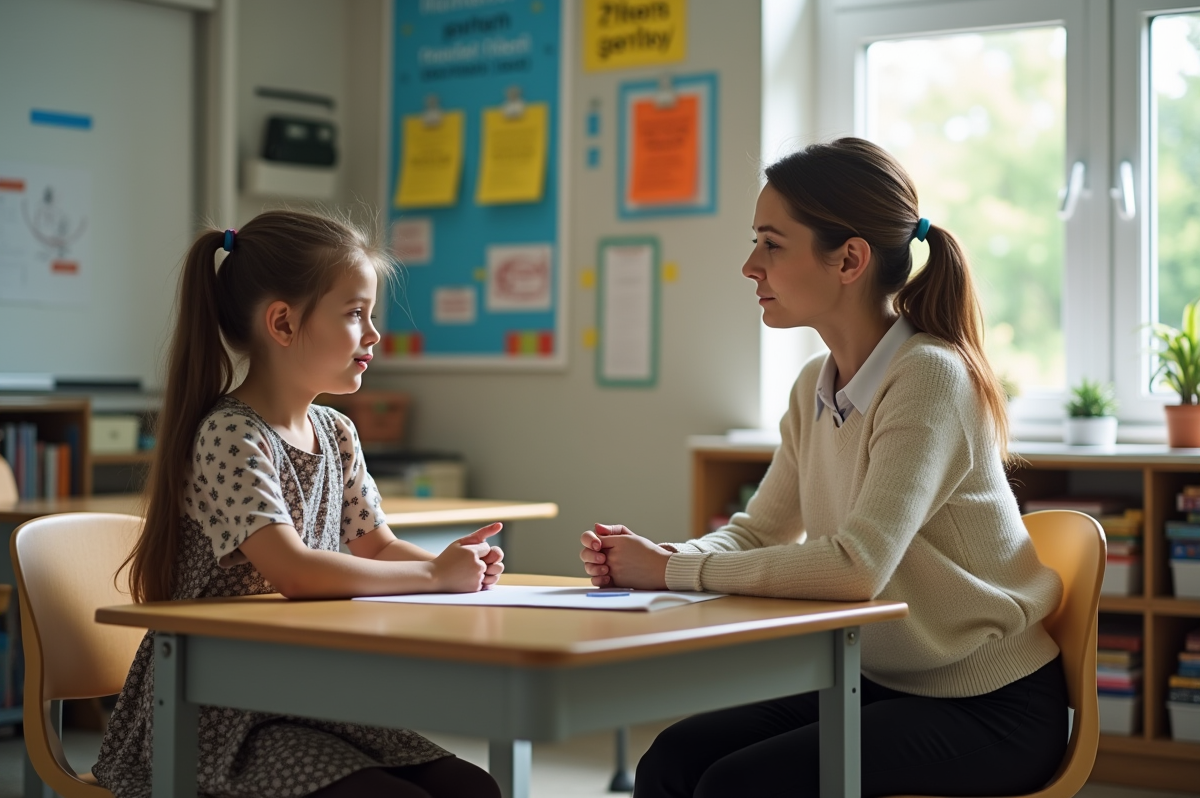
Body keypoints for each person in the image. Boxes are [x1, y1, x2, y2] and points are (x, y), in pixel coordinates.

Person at [579, 138, 1068, 798]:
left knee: (738, 786)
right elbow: (757, 531)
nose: (750, 265)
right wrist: (665, 555)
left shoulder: (928, 377)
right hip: (879, 683)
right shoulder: (816, 383)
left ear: (849, 259)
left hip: (989, 705)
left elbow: (856, 568)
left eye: (772, 244)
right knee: (673, 758)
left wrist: (669, 570)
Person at [95, 210, 503, 798]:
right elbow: (292, 570)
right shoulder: (231, 435)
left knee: (472, 788)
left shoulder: (336, 432)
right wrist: (436, 575)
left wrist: (452, 564)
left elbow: (379, 546)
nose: (374, 334)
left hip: (301, 692)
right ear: (283, 324)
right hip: (215, 710)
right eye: (354, 314)